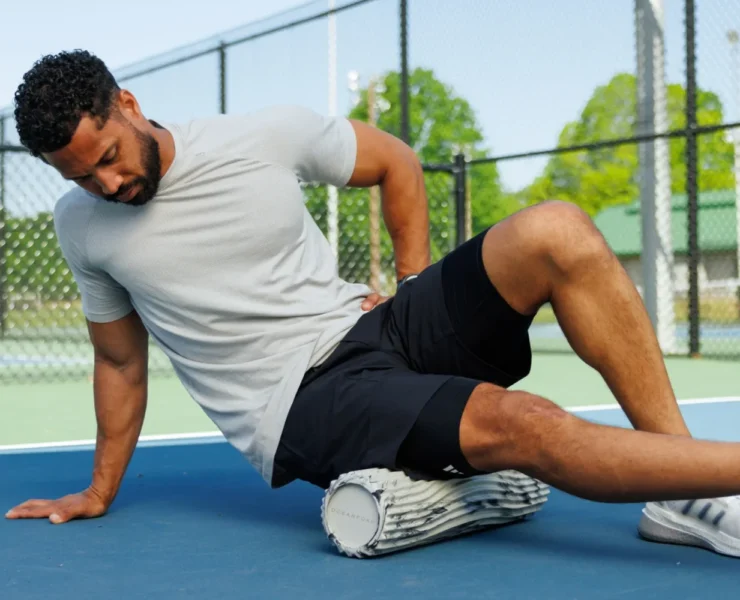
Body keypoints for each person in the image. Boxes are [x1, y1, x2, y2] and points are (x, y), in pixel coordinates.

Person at [5, 50, 740, 558]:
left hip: (375, 325)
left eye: (107, 157)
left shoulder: (260, 136)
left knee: (557, 230)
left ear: (127, 105)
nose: (106, 185)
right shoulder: (83, 227)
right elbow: (119, 361)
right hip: (301, 402)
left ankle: (678, 493)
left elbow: (395, 161)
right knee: (525, 422)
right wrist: (99, 490)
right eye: (82, 178)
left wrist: (415, 281)